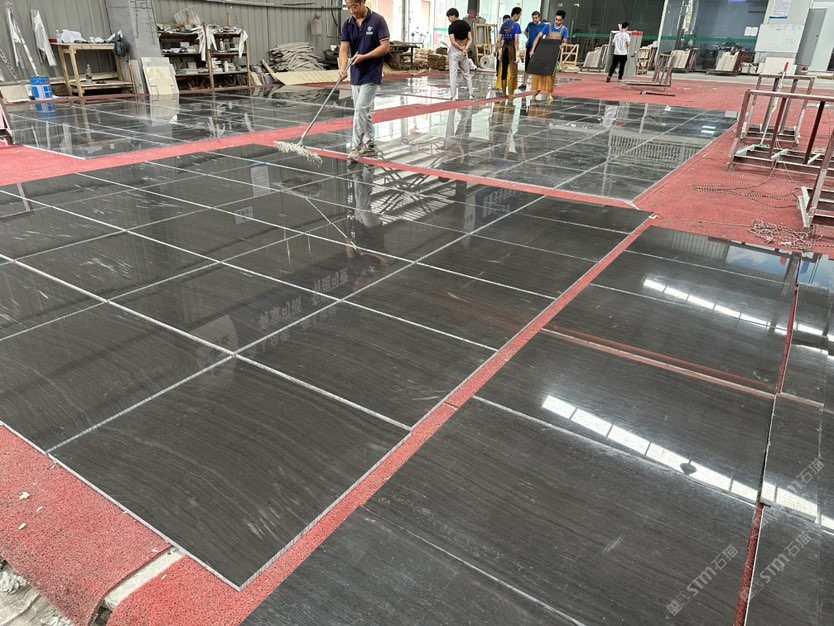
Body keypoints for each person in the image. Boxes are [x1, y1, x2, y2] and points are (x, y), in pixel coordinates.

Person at [339, 0, 390, 162]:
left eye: (354, 6)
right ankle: (370, 144)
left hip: (372, 73)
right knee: (364, 110)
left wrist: (365, 57)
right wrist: (342, 67)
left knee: (360, 110)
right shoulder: (348, 24)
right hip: (356, 74)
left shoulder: (377, 20)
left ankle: (355, 147)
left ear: (363, 2)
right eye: (348, 7)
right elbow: (344, 49)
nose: (351, 10)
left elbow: (385, 46)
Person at [529, 10, 569, 103]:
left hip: (554, 55)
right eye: (556, 19)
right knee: (539, 73)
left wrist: (563, 45)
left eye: (559, 20)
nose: (557, 21)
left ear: (563, 20)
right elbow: (538, 36)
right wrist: (533, 50)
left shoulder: (564, 30)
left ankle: (549, 93)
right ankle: (536, 91)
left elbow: (565, 41)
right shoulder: (548, 26)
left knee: (551, 75)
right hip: (544, 53)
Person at [446, 8, 475, 100]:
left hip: (455, 52)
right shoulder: (466, 24)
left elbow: (453, 42)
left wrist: (460, 48)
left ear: (454, 15)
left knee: (453, 74)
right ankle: (471, 94)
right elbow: (470, 39)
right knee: (466, 74)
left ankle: (452, 96)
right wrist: (465, 48)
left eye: (449, 16)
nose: (448, 19)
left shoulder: (451, 27)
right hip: (463, 52)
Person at [494, 7, 522, 96]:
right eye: (519, 15)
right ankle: (511, 94)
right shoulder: (516, 25)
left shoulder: (504, 24)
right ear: (516, 15)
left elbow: (499, 39)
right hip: (512, 49)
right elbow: (516, 41)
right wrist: (517, 54)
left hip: (504, 49)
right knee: (513, 72)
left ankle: (503, 93)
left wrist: (499, 51)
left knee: (504, 70)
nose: (519, 17)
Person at [518, 11, 546, 92]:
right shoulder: (530, 25)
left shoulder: (543, 26)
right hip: (529, 47)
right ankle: (524, 84)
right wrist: (529, 39)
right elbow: (525, 32)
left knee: (537, 66)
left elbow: (546, 35)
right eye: (533, 18)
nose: (534, 20)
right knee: (527, 66)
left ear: (539, 18)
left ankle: (537, 84)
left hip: (538, 48)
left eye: (536, 18)